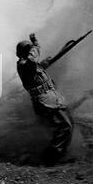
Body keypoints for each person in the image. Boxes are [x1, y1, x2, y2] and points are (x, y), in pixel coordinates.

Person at [16, 33, 74, 165]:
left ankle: (60, 153)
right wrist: (35, 44)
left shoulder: (31, 65)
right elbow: (33, 58)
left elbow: (36, 65)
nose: (32, 52)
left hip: (51, 97)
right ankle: (50, 158)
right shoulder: (25, 65)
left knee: (69, 123)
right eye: (29, 50)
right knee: (65, 127)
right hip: (45, 101)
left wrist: (42, 59)